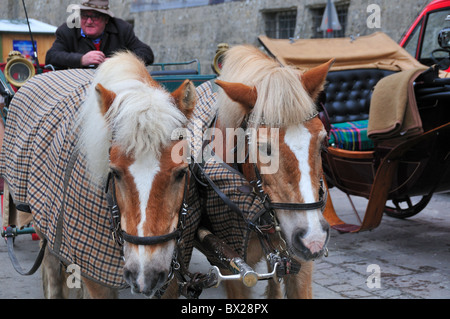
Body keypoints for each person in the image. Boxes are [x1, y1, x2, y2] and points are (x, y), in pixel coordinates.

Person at [45, 0, 154, 69]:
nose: (88, 21)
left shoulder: (122, 29)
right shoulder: (67, 30)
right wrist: (81, 59)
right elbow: (51, 56)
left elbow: (146, 54)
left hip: (112, 85)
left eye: (94, 17)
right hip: (77, 85)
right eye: (84, 16)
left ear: (106, 19)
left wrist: (117, 61)